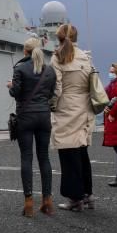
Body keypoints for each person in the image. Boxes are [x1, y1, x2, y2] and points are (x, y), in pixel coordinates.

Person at [7, 38, 56, 217]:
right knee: (44, 157)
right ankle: (48, 202)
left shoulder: (19, 68)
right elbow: (51, 93)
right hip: (44, 116)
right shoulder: (50, 70)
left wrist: (11, 86)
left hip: (25, 117)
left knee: (26, 158)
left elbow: (16, 93)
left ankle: (28, 203)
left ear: (25, 51)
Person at [50, 23, 96, 212]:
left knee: (68, 155)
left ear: (59, 38)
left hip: (67, 108)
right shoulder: (86, 57)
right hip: (84, 108)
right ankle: (88, 194)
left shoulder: (58, 57)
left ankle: (74, 198)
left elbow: (56, 88)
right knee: (82, 153)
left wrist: (52, 105)